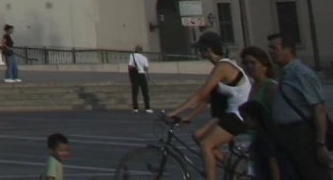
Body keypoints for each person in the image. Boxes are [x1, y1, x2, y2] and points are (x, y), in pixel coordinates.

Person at [166, 35, 254, 180]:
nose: (200, 53)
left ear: (208, 49)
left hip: (240, 115)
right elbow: (207, 98)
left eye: (201, 50)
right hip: (230, 113)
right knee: (198, 135)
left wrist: (175, 112)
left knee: (206, 144)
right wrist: (189, 117)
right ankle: (230, 166)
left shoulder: (223, 66)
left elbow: (201, 94)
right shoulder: (222, 65)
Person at [267, 32, 329, 180]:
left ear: (288, 49)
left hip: (302, 134)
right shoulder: (285, 72)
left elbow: (318, 109)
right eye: (269, 48)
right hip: (286, 135)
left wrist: (320, 143)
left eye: (274, 48)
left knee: (313, 174)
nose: (270, 52)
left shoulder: (301, 73)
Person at [128, 44, 152, 113]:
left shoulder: (132, 56)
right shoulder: (144, 58)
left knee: (135, 92)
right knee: (145, 92)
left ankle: (135, 108)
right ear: (141, 50)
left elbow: (130, 66)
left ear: (135, 49)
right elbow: (146, 68)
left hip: (135, 75)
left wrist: (130, 75)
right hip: (142, 75)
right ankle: (148, 107)